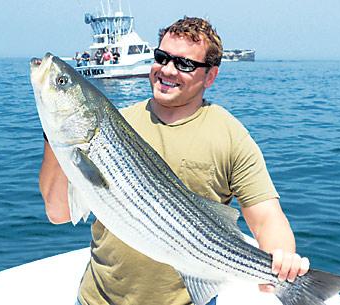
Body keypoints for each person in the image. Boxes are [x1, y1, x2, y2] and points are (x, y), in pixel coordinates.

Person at [39, 17, 310, 305]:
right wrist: (54, 132)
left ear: (210, 76)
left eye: (184, 64)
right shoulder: (117, 124)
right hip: (98, 299)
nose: (167, 70)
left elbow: (267, 217)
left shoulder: (231, 136)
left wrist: (282, 262)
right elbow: (58, 213)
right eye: (161, 57)